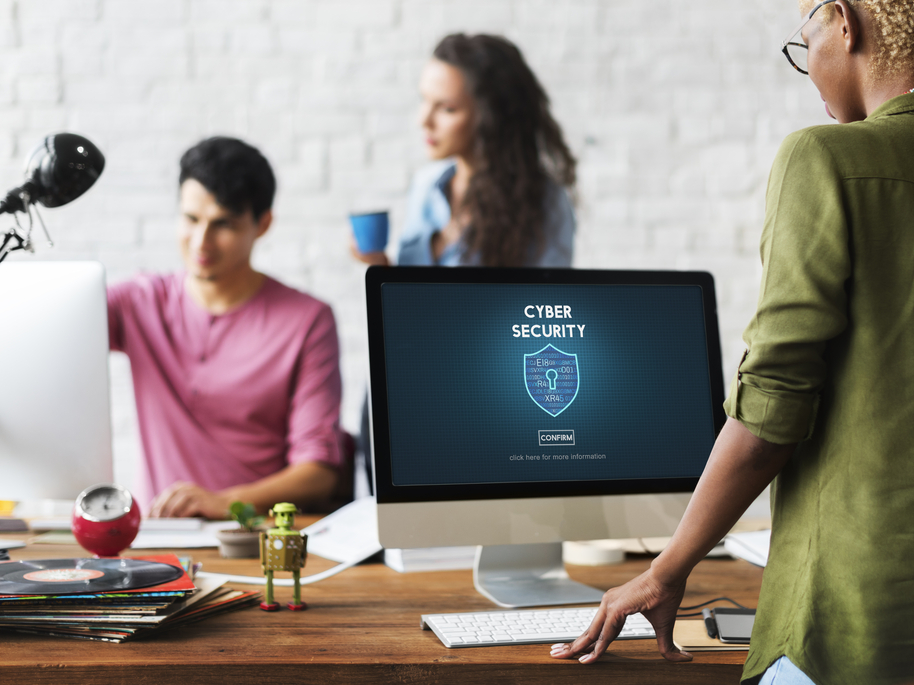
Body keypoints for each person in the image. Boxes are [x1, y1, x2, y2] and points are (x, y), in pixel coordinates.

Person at [551, 1, 914, 683]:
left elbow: (771, 413)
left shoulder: (824, 158)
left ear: (844, 23)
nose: (809, 66)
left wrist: (668, 568)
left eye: (805, 41)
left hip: (862, 620)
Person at [108, 137, 345, 519]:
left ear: (263, 224)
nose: (201, 242)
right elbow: (44, 332)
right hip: (160, 536)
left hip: (254, 534)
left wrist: (227, 502)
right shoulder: (137, 302)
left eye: (224, 224)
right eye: (191, 219)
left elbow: (319, 473)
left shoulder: (307, 319)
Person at [352, 32, 577, 268]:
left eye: (447, 109)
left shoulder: (545, 203)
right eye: (424, 100)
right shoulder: (426, 186)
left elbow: (547, 301)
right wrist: (382, 269)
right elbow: (413, 297)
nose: (424, 120)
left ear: (490, 116)